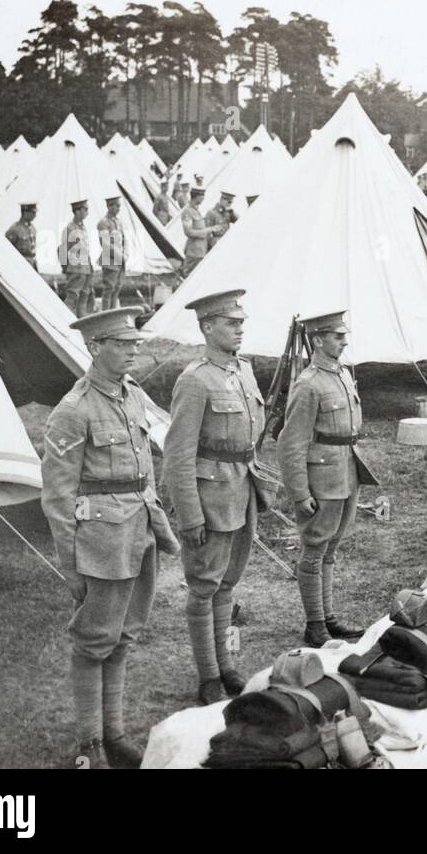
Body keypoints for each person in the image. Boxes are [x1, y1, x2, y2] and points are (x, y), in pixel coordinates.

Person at [41, 307, 180, 769]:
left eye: (135, 344)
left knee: (124, 637)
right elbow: (58, 498)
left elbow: (146, 474)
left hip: (138, 531)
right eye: (123, 345)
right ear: (94, 347)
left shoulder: (134, 397)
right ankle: (90, 744)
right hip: (100, 543)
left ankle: (114, 733)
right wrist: (71, 565)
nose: (133, 352)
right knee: (93, 641)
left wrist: (157, 522)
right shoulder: (73, 411)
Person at [161, 289, 266, 704]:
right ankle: (208, 675)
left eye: (241, 322)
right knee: (204, 586)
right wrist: (190, 516)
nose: (240, 328)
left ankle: (227, 664)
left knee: (227, 585)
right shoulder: (195, 380)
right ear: (207, 327)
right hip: (210, 498)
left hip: (241, 491)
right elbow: (177, 455)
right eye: (230, 322)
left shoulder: (244, 371)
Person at [277, 311, 379, 646]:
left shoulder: (342, 375)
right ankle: (314, 623)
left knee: (331, 548)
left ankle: (328, 616)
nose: (344, 341)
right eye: (337, 336)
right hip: (322, 478)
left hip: (347, 471)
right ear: (318, 340)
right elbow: (290, 443)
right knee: (315, 548)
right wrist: (299, 492)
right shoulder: (308, 385)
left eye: (343, 335)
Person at [59, 199, 94, 317]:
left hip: (85, 268)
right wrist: (66, 268)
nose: (87, 212)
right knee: (72, 296)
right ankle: (65, 321)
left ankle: (81, 322)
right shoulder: (70, 228)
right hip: (75, 269)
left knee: (84, 296)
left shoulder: (83, 228)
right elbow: (62, 249)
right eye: (85, 209)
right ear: (77, 211)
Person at [96, 196, 127, 311]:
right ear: (109, 206)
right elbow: (105, 244)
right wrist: (120, 256)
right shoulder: (103, 223)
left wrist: (126, 254)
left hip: (120, 261)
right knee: (109, 289)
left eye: (119, 206)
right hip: (110, 260)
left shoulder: (118, 222)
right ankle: (106, 314)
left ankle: (113, 311)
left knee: (117, 288)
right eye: (116, 206)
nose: (119, 208)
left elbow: (124, 240)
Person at [180, 187, 218, 279]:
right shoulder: (187, 211)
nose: (203, 198)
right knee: (189, 279)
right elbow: (188, 232)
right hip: (193, 252)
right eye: (202, 196)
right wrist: (207, 231)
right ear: (196, 197)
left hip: (200, 251)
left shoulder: (196, 210)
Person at [5, 202, 38, 271]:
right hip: (20, 266)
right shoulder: (15, 229)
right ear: (25, 212)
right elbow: (7, 250)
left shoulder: (32, 228)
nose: (35, 215)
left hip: (32, 265)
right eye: (33, 212)